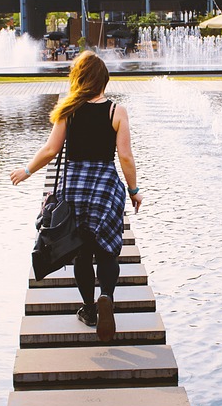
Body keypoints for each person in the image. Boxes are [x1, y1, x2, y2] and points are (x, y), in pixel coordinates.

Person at [10, 51, 143, 342]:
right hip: (105, 187)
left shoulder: (67, 109)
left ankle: (89, 308)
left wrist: (27, 170)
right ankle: (107, 295)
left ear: (78, 78)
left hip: (74, 188)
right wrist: (133, 191)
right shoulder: (116, 111)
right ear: (103, 81)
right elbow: (125, 157)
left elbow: (50, 151)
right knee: (108, 250)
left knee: (82, 250)